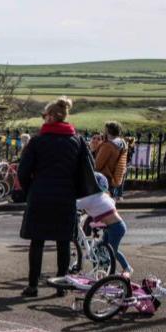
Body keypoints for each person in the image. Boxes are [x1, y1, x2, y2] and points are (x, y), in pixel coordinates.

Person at [18, 97, 99, 298]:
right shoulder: (77, 141)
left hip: (40, 196)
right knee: (64, 242)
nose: (43, 119)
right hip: (65, 196)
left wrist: (30, 189)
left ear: (52, 116)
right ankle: (61, 286)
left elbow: (23, 171)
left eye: (45, 115)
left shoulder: (37, 142)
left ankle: (32, 286)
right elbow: (87, 170)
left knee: (37, 241)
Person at [76, 172, 132, 277]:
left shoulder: (91, 198)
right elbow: (103, 207)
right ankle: (104, 272)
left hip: (116, 228)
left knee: (111, 251)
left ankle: (127, 268)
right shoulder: (103, 196)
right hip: (111, 227)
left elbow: (76, 204)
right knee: (101, 248)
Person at [95, 121, 129, 200]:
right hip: (115, 178)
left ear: (107, 131)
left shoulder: (108, 146)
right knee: (111, 204)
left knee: (103, 206)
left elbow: (97, 165)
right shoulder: (122, 144)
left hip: (104, 178)